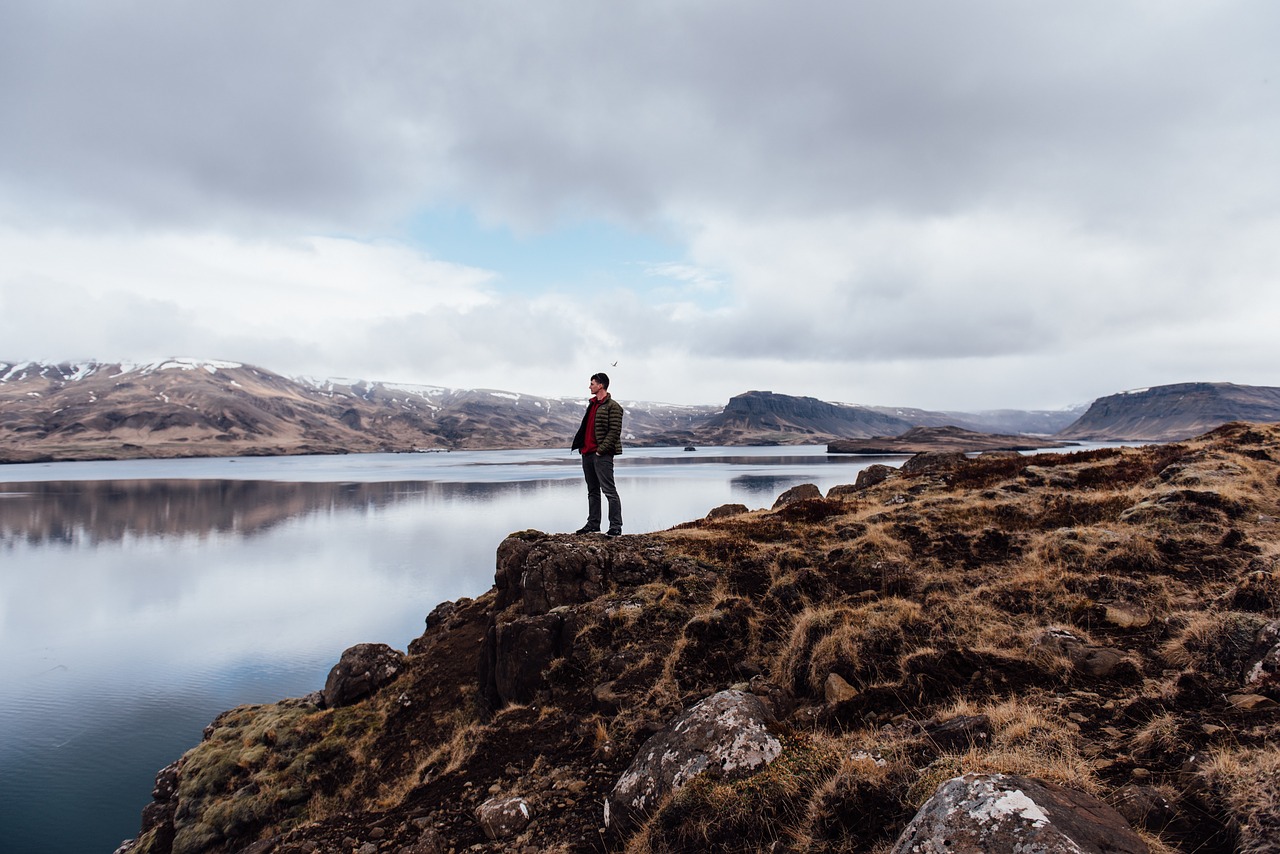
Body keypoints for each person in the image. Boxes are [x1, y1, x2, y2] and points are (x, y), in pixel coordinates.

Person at [570, 372, 624, 536]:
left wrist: (601, 450)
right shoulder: (592, 405)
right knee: (592, 491)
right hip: (587, 454)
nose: (590, 386)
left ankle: (616, 526)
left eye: (592, 383)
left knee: (609, 491)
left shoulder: (613, 407)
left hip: (602, 455)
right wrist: (582, 448)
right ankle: (593, 524)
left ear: (601, 385)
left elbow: (614, 432)